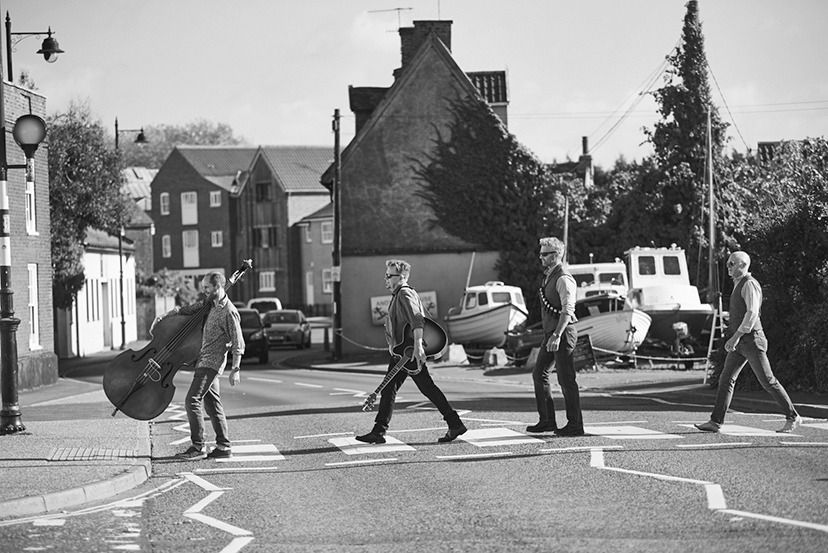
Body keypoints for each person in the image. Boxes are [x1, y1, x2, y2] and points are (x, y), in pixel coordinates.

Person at [356, 259, 467, 444]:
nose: (385, 279)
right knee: (404, 388)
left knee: (420, 388)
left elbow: (417, 319)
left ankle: (380, 431)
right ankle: (454, 423)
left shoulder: (404, 294)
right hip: (403, 352)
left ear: (401, 277)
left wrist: (417, 347)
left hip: (408, 352)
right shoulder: (400, 294)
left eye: (388, 276)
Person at [695, 251, 801, 433]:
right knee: (726, 379)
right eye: (728, 263)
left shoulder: (750, 284)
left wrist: (735, 337)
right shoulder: (738, 284)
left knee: (768, 381)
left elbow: (752, 314)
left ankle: (793, 416)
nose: (728, 267)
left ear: (743, 265)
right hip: (741, 342)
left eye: (732, 264)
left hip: (752, 340)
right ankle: (715, 422)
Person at [154, 272, 245, 459]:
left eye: (206, 288)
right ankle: (223, 446)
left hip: (212, 362)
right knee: (212, 405)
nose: (203, 291)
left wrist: (235, 369)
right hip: (202, 358)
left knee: (192, 400)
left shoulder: (229, 311)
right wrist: (167, 315)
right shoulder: (209, 305)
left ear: (218, 286)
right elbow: (189, 309)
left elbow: (238, 342)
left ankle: (198, 447)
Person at [527, 237, 584, 437]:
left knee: (566, 379)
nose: (540, 257)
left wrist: (558, 335)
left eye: (544, 254)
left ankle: (575, 425)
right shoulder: (549, 276)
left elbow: (568, 310)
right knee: (539, 373)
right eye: (540, 253)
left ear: (556, 255)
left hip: (562, 334)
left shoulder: (563, 278)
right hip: (552, 334)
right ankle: (547, 421)